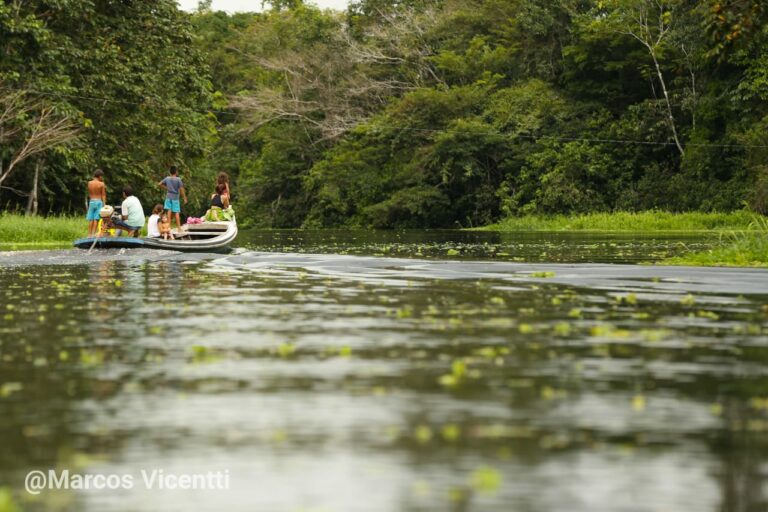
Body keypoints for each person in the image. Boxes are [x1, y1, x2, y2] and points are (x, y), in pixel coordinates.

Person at [158, 166, 187, 231]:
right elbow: (181, 189)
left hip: (168, 197)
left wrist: (166, 188)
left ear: (169, 172)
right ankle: (179, 228)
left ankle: (169, 227)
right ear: (176, 172)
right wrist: (184, 198)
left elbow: (159, 184)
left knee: (169, 211)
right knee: (176, 212)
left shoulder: (167, 178)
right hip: (175, 198)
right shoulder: (178, 179)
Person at [86, 169, 107, 236]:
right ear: (99, 176)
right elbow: (103, 195)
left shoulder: (89, 183)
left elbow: (90, 193)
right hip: (99, 202)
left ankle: (89, 235)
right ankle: (93, 234)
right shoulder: (101, 184)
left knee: (91, 219)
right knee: (96, 219)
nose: (102, 178)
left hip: (91, 201)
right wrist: (104, 205)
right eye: (102, 176)